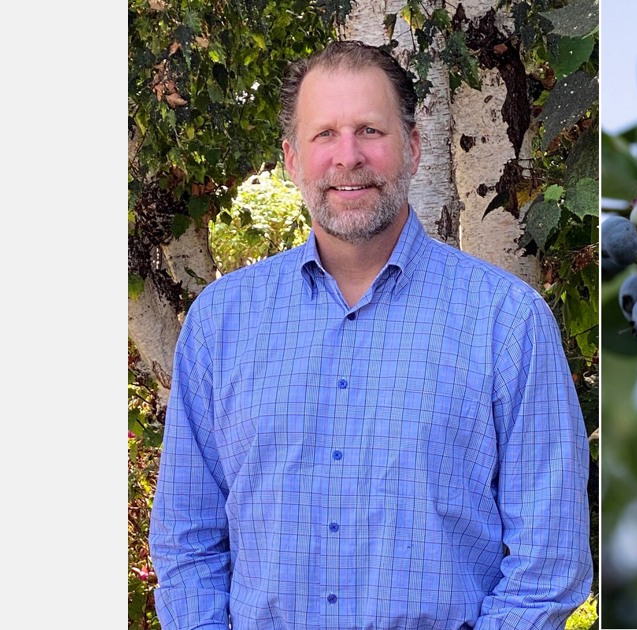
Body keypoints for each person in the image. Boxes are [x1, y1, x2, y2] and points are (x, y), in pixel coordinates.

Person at [149, 40, 593, 629]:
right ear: (291, 158)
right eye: (324, 134)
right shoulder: (219, 323)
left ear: (412, 149)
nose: (347, 157)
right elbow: (187, 543)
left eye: (370, 131)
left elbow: (550, 562)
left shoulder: (507, 322)